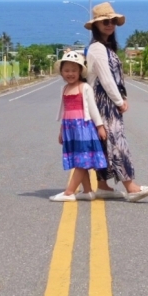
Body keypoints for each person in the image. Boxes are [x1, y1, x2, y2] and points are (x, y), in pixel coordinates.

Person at [85, 2, 148, 203]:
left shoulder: (104, 47)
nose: (110, 25)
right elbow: (106, 79)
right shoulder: (98, 49)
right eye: (105, 21)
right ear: (97, 26)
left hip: (104, 101)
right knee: (117, 143)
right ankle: (130, 186)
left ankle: (101, 186)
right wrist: (119, 100)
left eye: (113, 21)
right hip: (103, 102)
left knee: (104, 143)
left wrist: (122, 97)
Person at [50, 51, 109, 202]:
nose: (70, 74)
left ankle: (69, 192)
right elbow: (64, 111)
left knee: (82, 160)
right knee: (78, 159)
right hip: (70, 128)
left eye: (74, 70)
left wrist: (100, 126)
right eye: (67, 70)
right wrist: (61, 131)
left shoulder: (84, 87)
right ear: (62, 72)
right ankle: (87, 191)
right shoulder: (64, 89)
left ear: (80, 72)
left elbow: (93, 108)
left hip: (83, 127)